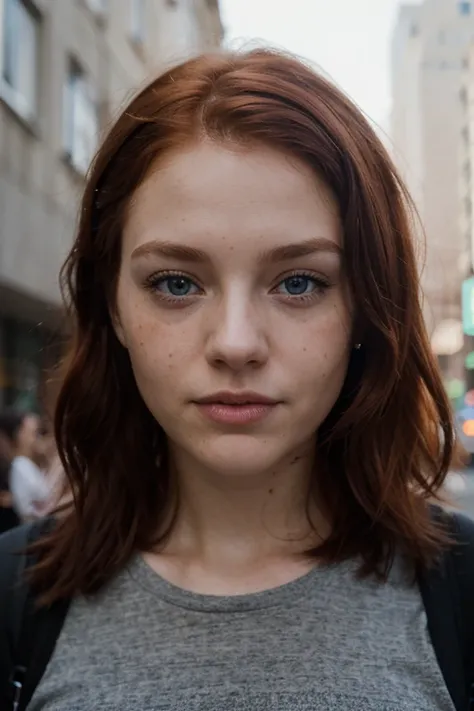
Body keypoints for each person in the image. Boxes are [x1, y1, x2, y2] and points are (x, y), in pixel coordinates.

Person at [0, 49, 470, 710]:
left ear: (365, 305)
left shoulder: (459, 592)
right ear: (114, 306)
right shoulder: (15, 598)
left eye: (299, 282)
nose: (236, 343)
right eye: (177, 282)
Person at [0, 410, 51, 522]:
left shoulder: (28, 465)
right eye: (35, 433)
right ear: (19, 435)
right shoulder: (21, 466)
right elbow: (29, 508)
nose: (39, 439)